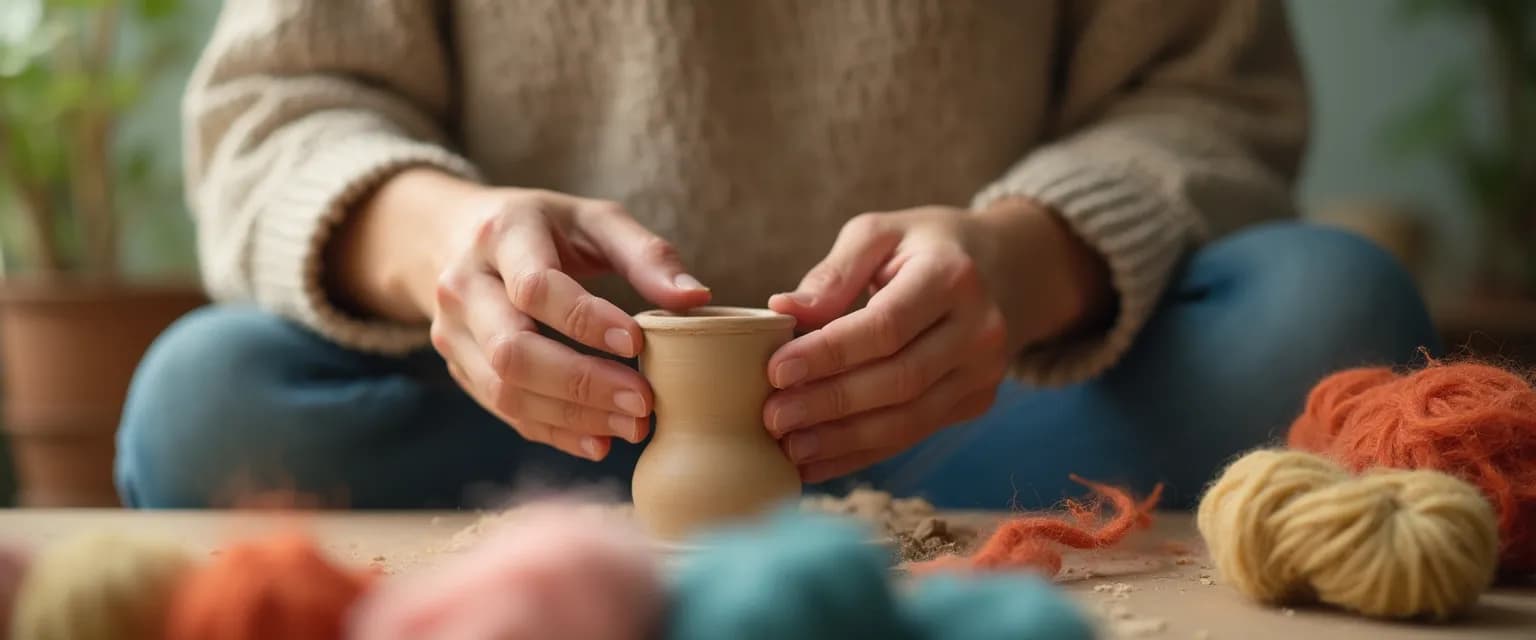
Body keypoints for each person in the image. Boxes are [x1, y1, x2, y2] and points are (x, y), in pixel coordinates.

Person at [116, 0, 1438, 510]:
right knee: (205, 400)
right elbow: (274, 111)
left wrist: (1026, 264)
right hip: (534, 427)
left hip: (990, 409)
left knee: (1333, 311)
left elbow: (1214, 100)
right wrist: (442, 247)